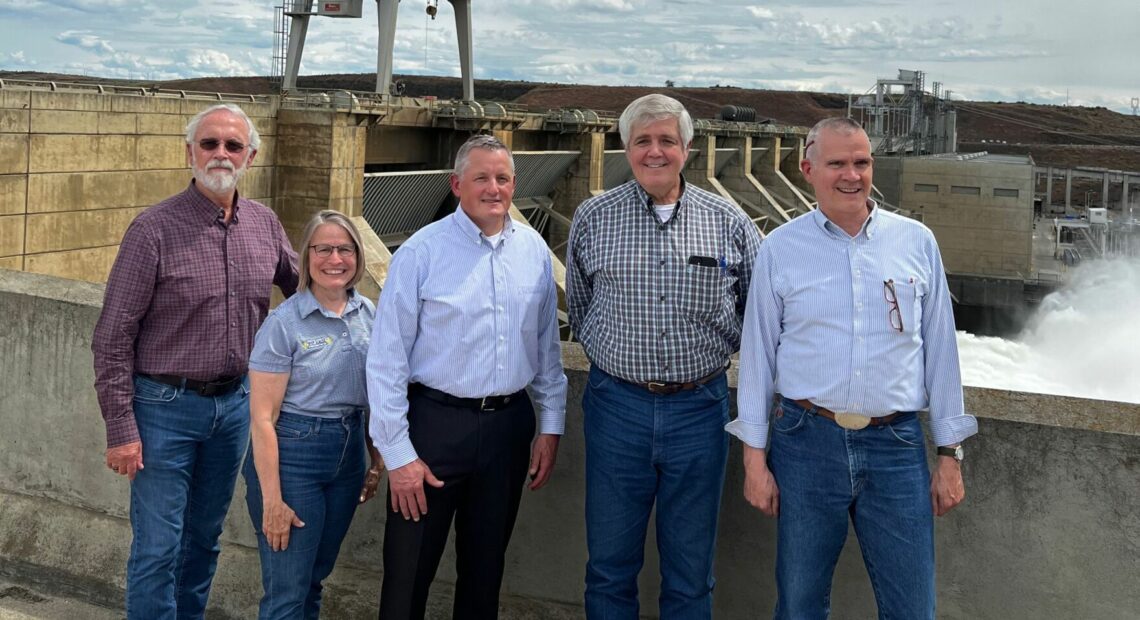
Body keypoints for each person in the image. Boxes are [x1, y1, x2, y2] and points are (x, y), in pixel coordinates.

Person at [726, 116, 978, 619]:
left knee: (912, 607)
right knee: (799, 602)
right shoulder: (780, 248)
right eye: (837, 163)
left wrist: (950, 454)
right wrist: (754, 460)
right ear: (808, 169)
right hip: (804, 442)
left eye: (861, 163)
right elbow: (758, 357)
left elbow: (941, 353)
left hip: (897, 447)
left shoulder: (916, 242)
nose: (851, 175)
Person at [91, 103, 298, 619]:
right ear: (190, 152)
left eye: (233, 145)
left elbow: (305, 295)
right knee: (159, 547)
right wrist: (121, 428)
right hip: (163, 409)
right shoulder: (153, 230)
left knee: (204, 541)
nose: (221, 154)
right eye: (209, 144)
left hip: (233, 410)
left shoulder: (265, 225)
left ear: (251, 154)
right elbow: (113, 336)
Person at [566, 93, 762, 619]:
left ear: (688, 148)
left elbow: (759, 314)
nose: (655, 152)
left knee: (691, 572)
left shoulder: (729, 221)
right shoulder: (593, 217)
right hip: (616, 407)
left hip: (700, 410)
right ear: (625, 148)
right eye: (642, 141)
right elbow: (581, 310)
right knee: (608, 567)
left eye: (667, 141)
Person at [366, 134, 568, 619]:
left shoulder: (534, 251)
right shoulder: (422, 251)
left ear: (515, 184)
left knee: (485, 572)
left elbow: (546, 349)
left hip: (508, 428)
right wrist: (398, 455)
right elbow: (386, 358)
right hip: (434, 428)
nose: (493, 188)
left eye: (502, 178)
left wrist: (551, 426)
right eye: (481, 177)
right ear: (457, 184)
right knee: (408, 572)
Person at [242, 210, 384, 619]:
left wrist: (375, 461)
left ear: (357, 256)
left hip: (349, 454)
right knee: (287, 589)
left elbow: (375, 395)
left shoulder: (370, 315)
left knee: (314, 579)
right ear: (307, 258)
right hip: (294, 456)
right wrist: (272, 500)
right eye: (323, 249)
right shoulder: (283, 324)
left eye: (345, 249)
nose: (334, 259)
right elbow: (262, 418)